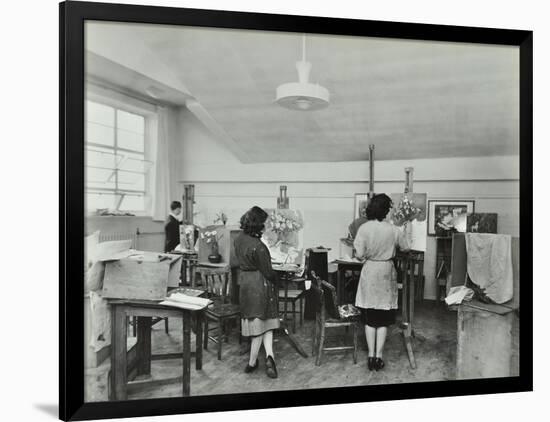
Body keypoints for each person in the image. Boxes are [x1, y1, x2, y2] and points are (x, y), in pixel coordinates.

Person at [353, 194, 410, 371]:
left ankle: (370, 358)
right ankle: (379, 357)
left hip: (370, 271)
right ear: (386, 210)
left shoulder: (364, 228)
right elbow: (406, 247)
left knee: (370, 319)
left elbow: (359, 254)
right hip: (386, 272)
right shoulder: (393, 229)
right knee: (383, 319)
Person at [235, 206, 280, 378]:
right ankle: (265, 359)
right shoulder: (259, 246)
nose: (266, 226)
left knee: (261, 324)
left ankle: (256, 362)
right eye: (264, 223)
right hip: (260, 286)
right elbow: (268, 272)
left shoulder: (238, 239)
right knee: (262, 325)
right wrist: (278, 279)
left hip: (245, 284)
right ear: (258, 224)